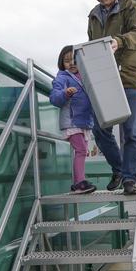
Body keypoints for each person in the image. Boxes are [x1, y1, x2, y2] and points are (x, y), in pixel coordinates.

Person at [86, 0, 136, 195]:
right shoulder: (93, 16)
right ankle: (119, 169)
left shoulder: (130, 5)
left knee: (131, 132)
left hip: (130, 77)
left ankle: (130, 179)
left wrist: (119, 41)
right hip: (104, 81)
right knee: (100, 129)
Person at [50, 45, 97, 195]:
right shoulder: (62, 78)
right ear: (62, 63)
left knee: (82, 151)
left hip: (83, 122)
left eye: (75, 59)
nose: (71, 63)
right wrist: (65, 93)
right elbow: (54, 98)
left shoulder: (85, 77)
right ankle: (79, 183)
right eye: (67, 61)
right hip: (72, 121)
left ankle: (79, 181)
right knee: (81, 150)